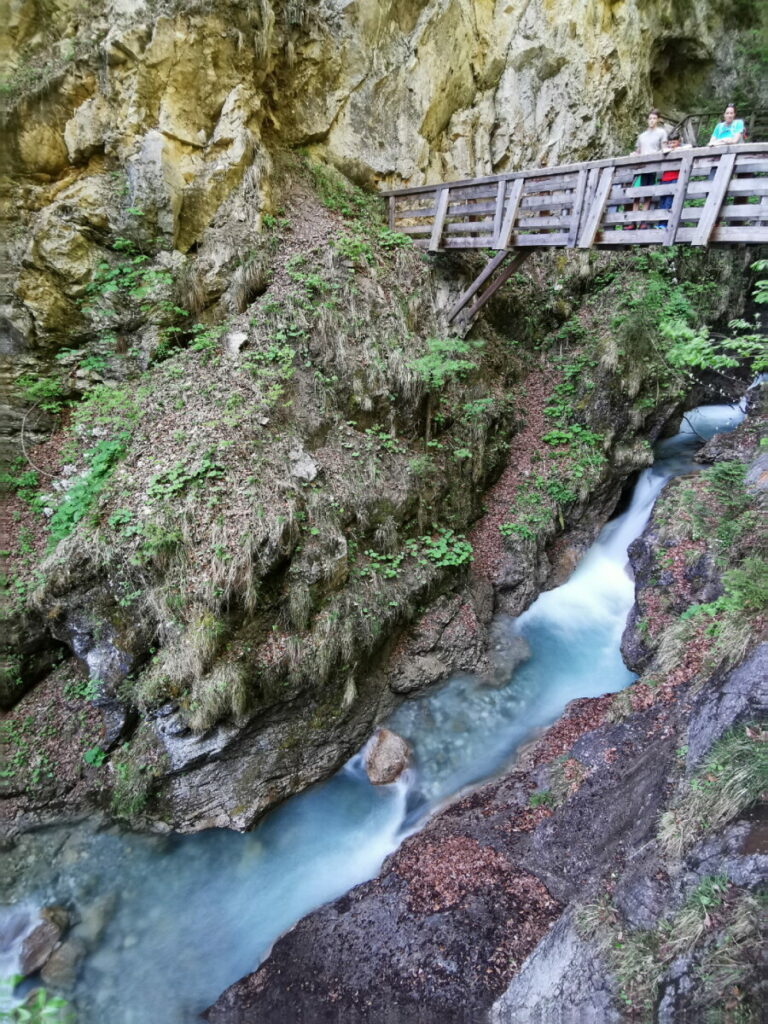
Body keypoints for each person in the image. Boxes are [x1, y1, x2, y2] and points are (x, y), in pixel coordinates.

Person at [627, 109, 668, 228]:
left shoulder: (661, 133)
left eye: (654, 118)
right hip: (640, 167)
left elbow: (663, 148)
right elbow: (638, 151)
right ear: (647, 120)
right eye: (650, 118)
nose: (652, 121)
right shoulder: (642, 136)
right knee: (636, 193)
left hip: (652, 166)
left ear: (658, 120)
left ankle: (643, 221)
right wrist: (634, 154)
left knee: (648, 194)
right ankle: (633, 222)